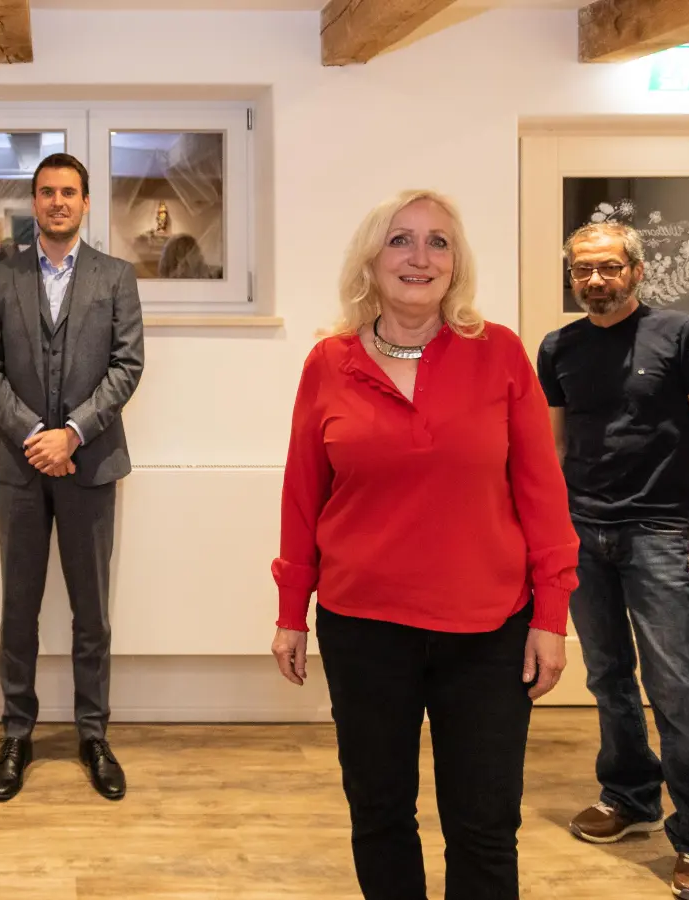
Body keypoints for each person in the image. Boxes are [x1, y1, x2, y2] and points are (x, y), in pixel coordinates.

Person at [270, 189, 577, 900]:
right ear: (370, 261)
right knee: (380, 815)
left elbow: (541, 492)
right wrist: (291, 609)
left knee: (484, 825)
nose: (420, 256)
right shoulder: (329, 363)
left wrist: (551, 616)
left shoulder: (497, 352)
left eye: (439, 241)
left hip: (489, 630)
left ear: (457, 262)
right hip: (365, 627)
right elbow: (301, 495)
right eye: (400, 240)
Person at [0, 152, 144, 803]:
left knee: (90, 611)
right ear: (35, 202)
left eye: (69, 192)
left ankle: (93, 734)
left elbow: (127, 366)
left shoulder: (116, 277)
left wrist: (70, 433)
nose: (58, 202)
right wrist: (33, 437)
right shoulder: (1, 277)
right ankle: (16, 732)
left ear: (86, 202)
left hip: (90, 463)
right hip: (17, 466)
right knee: (18, 607)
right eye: (47, 192)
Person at [538, 220, 689, 897]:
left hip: (661, 530)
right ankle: (629, 795)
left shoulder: (679, 335)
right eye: (582, 270)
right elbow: (554, 449)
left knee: (678, 689)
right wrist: (548, 531)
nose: (594, 281)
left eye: (607, 267)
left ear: (635, 269)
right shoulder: (559, 347)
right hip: (583, 531)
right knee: (607, 675)